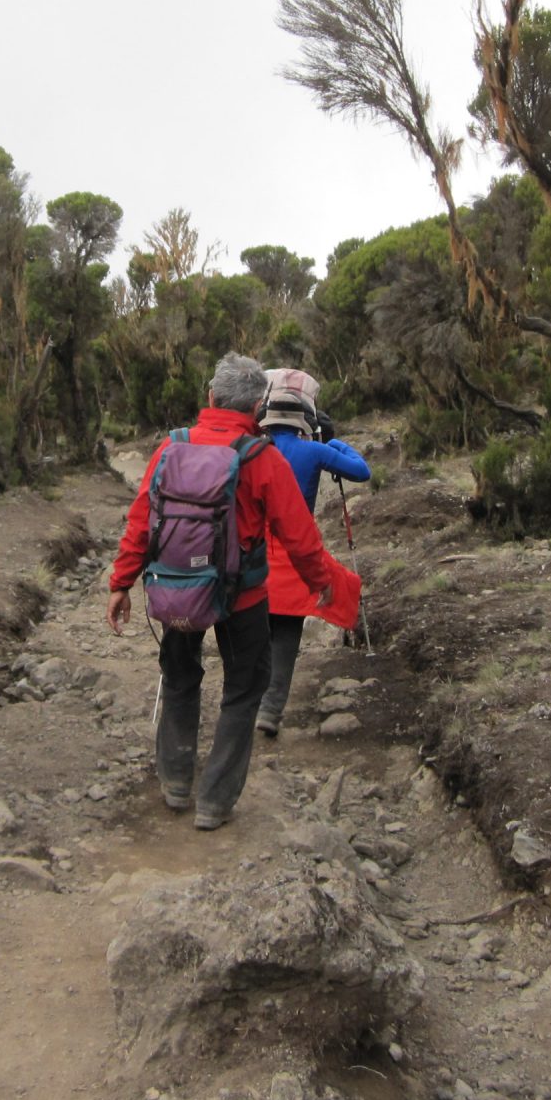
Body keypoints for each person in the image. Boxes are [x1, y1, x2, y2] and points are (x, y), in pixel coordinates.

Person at [106, 353, 340, 830]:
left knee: (179, 675)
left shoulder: (170, 448)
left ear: (209, 398)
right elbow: (299, 535)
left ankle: (175, 782)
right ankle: (214, 801)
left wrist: (121, 583)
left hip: (176, 592)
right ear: (258, 408)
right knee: (245, 686)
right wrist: (321, 584)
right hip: (245, 598)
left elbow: (140, 523)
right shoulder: (261, 458)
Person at [255, 369, 370, 737]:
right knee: (287, 632)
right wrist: (335, 445)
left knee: (256, 630)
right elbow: (361, 471)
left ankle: (249, 702)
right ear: (304, 419)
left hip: (255, 549)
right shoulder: (314, 450)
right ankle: (270, 710)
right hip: (296, 551)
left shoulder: (254, 448)